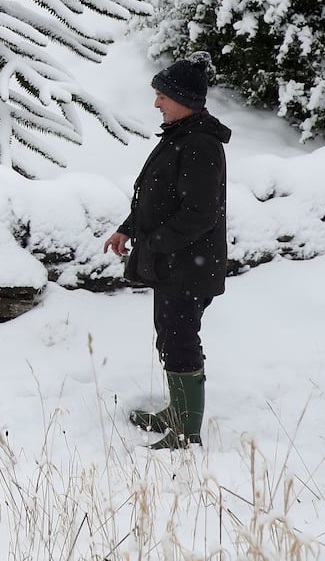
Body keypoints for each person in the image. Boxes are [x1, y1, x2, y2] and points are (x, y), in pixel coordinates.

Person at [102, 52, 231, 450]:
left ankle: (185, 430)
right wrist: (129, 228)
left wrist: (153, 243)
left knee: (180, 340)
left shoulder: (199, 146)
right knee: (171, 337)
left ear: (185, 100)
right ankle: (178, 412)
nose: (156, 103)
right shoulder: (182, 137)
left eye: (162, 96)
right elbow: (158, 198)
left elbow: (199, 214)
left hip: (187, 267)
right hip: (177, 264)